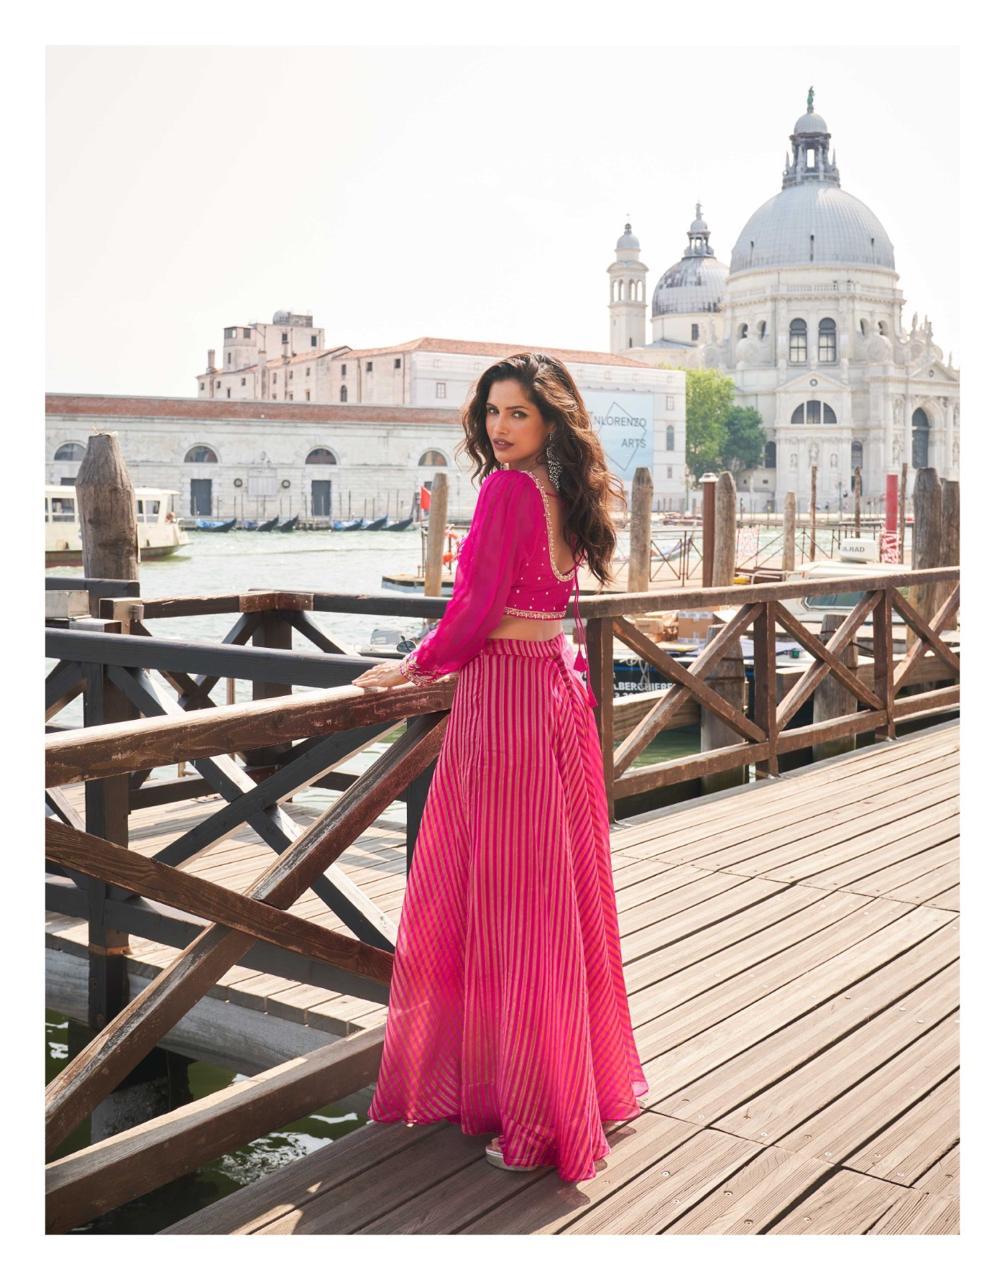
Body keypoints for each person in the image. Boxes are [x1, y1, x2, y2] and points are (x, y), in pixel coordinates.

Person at [352, 352, 648, 1181]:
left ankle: (530, 1114)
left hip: (507, 704)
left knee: (506, 903)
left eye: (517, 413)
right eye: (491, 412)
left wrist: (411, 666)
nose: (498, 427)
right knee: (552, 900)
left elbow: (475, 608)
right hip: (553, 697)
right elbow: (551, 610)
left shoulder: (508, 491)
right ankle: (565, 1090)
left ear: (550, 421)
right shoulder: (563, 496)